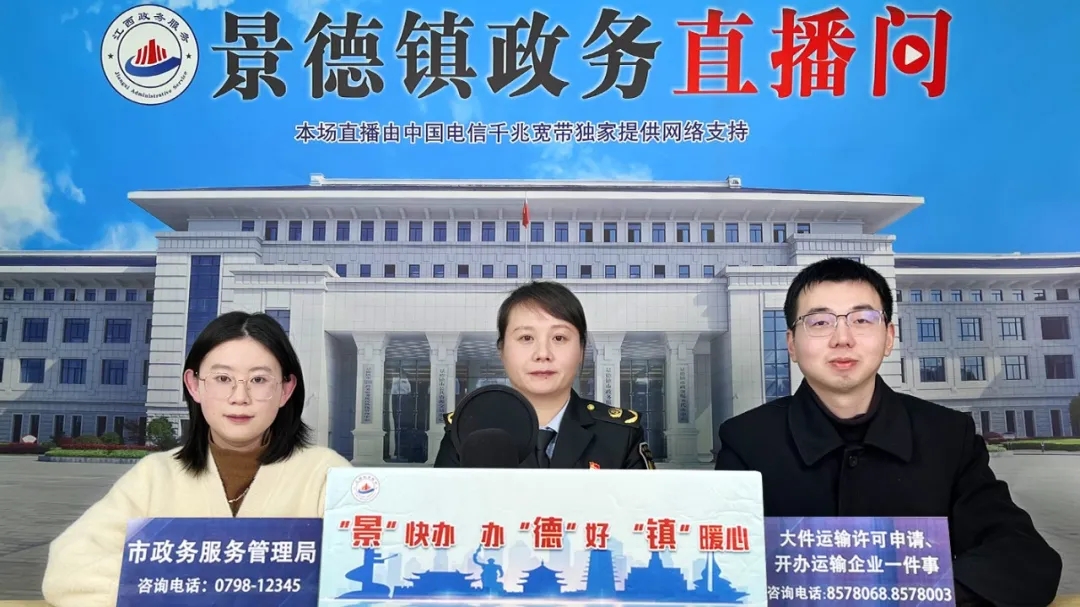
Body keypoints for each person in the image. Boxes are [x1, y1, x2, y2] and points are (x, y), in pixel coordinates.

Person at [713, 257, 1062, 607]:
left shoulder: (947, 437)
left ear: (889, 337)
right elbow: (724, 567)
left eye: (862, 320)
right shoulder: (748, 442)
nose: (842, 338)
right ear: (791, 344)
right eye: (820, 322)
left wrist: (920, 595)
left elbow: (1024, 556)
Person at [41, 311, 352, 607]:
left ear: (286, 390)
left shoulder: (325, 474)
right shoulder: (154, 476)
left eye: (258, 380)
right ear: (194, 385)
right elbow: (73, 567)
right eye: (222, 378)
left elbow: (359, 577)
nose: (239, 397)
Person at [434, 281, 654, 469]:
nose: (542, 354)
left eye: (559, 338)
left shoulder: (620, 435)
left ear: (581, 350)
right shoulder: (467, 432)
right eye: (526, 338)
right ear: (502, 350)